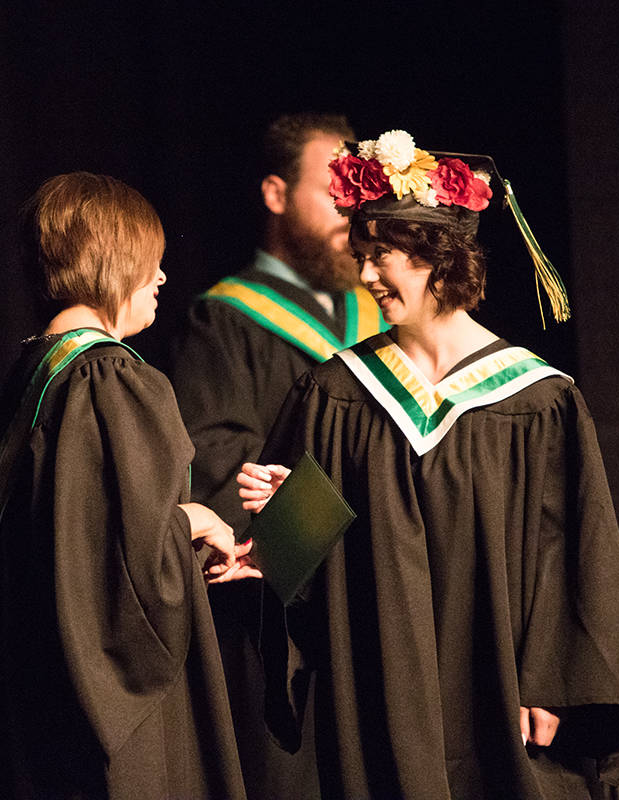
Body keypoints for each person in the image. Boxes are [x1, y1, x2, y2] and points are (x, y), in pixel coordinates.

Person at [239, 131, 619, 799]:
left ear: (441, 257)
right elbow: (301, 576)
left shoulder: (537, 402)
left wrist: (551, 685)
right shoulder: (336, 395)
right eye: (361, 256)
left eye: (382, 257)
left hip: (503, 705)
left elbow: (566, 555)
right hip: (377, 702)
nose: (367, 275)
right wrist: (281, 521)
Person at [0, 172, 250, 800]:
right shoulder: (111, 379)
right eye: (152, 263)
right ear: (112, 262)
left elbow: (74, 536)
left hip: (44, 687)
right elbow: (118, 564)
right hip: (110, 711)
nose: (161, 279)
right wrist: (194, 524)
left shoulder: (37, 370)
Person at [171, 112, 385, 798]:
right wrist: (319, 523)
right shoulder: (227, 318)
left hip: (379, 594)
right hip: (280, 611)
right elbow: (215, 452)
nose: (349, 212)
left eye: (357, 194)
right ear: (274, 194)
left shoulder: (384, 312)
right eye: (333, 191)